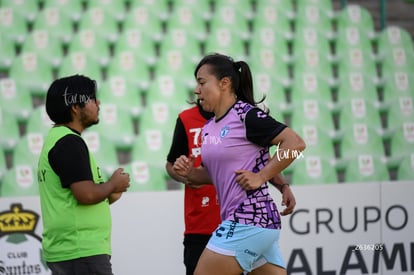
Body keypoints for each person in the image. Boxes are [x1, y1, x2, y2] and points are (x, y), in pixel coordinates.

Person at [173, 53, 306, 275]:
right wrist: (189, 172)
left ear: (224, 83)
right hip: (257, 226)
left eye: (202, 82)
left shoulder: (246, 115)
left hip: (248, 220)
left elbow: (295, 144)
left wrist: (261, 176)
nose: (196, 90)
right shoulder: (209, 127)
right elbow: (212, 175)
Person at [37, 74, 131, 275]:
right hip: (80, 251)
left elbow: (80, 196)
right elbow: (86, 195)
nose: (98, 103)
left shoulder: (60, 140)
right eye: (92, 98)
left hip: (73, 251)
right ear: (75, 107)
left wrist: (108, 193)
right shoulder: (69, 143)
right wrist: (113, 184)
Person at [166, 100, 221, 275]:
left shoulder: (238, 117)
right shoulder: (186, 118)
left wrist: (282, 186)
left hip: (237, 224)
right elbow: (170, 164)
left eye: (203, 83)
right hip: (199, 226)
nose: (197, 89)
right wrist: (185, 177)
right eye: (198, 83)